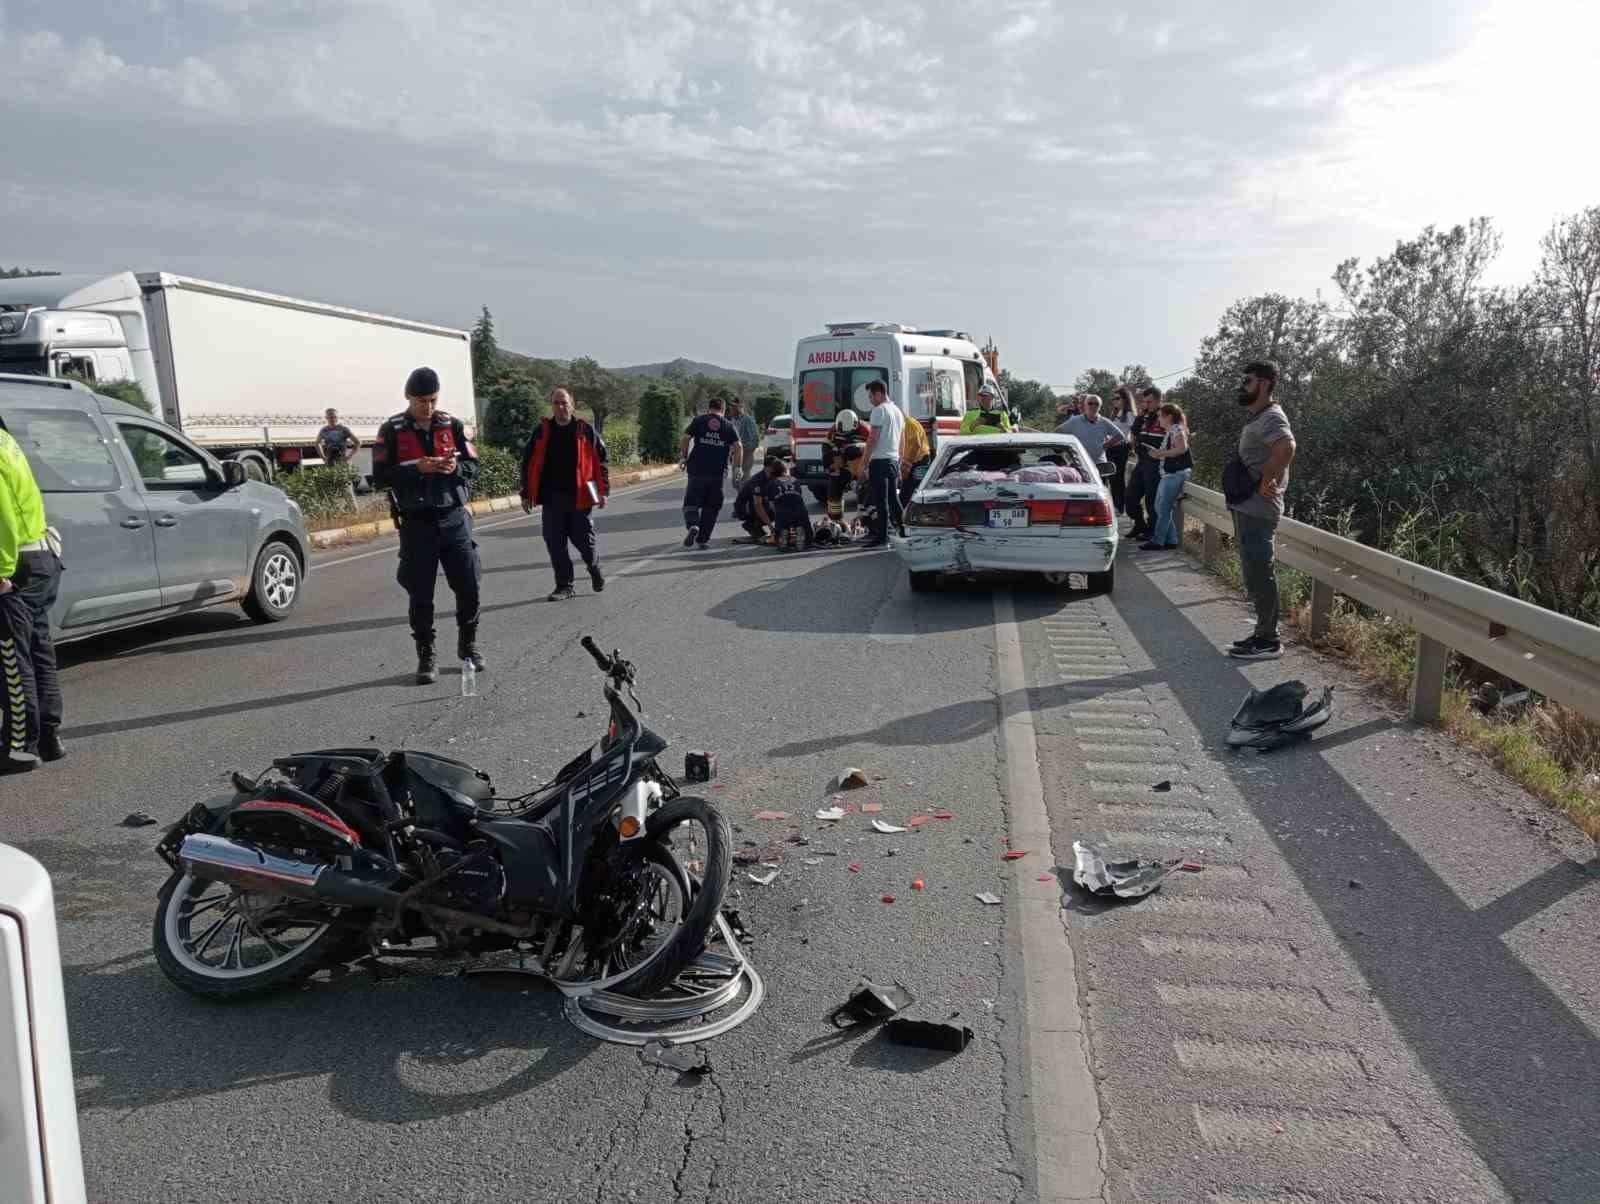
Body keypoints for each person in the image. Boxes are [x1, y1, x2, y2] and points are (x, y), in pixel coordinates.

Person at [372, 366, 483, 684]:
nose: (428, 407)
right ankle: (426, 655)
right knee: (420, 594)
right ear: (408, 397)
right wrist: (417, 468)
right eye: (422, 400)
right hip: (417, 524)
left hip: (454, 519)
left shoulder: (452, 425)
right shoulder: (391, 430)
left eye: (433, 400)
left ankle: (468, 647)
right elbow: (380, 477)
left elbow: (474, 466)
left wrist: (454, 469)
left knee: (469, 586)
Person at [0, 420, 64, 771]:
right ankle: (48, 738)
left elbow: (2, 517)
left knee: (12, 659)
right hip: (39, 558)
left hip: (16, 564)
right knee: (39, 653)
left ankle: (19, 749)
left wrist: (1, 571)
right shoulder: (5, 440)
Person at [1226, 361, 1297, 661]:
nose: (1242, 385)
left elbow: (1287, 447)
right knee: (1254, 572)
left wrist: (1268, 478)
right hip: (1247, 507)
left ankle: (1269, 640)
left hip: (1258, 510)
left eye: (1248, 380)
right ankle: (1261, 634)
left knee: (1259, 572)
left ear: (1265, 384)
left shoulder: (1271, 416)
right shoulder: (1258, 416)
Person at [519, 387, 608, 602]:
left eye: (564, 403)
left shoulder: (584, 430)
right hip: (551, 498)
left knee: (584, 542)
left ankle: (594, 567)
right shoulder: (541, 431)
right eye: (556, 403)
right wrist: (525, 492)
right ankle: (565, 586)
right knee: (554, 543)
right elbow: (528, 463)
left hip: (580, 496)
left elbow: (601, 460)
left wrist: (603, 491)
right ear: (552, 406)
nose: (560, 407)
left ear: (572, 405)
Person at [679, 396, 740, 548]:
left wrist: (683, 457)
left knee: (691, 502)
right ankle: (702, 539)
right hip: (718, 473)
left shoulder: (699, 420)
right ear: (723, 410)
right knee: (712, 506)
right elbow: (738, 446)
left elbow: (686, 438)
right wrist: (737, 467)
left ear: (709, 408)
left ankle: (693, 525)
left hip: (697, 470)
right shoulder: (728, 425)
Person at [1141, 402, 1193, 551]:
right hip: (1169, 475)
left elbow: (1181, 449)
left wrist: (1160, 453)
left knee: (1163, 508)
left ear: (1169, 417)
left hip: (1175, 474)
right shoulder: (1172, 430)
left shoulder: (1176, 428)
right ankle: (1171, 540)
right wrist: (1157, 453)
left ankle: (1158, 541)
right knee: (1159, 507)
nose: (1158, 420)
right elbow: (1171, 451)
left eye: (1160, 417)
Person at [860, 379, 905, 546]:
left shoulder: (878, 411)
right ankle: (905, 530)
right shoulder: (897, 411)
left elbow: (873, 439)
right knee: (893, 499)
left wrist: (864, 463)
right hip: (893, 460)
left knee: (881, 501)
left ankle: (882, 537)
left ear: (879, 393)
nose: (870, 400)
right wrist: (899, 461)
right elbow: (902, 440)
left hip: (879, 461)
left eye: (871, 396)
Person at [1057, 394, 1125, 484]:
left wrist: (1106, 445)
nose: (1093, 406)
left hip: (1099, 466)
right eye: (1090, 403)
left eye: (1096, 404)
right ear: (1085, 405)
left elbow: (1120, 436)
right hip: (1078, 465)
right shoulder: (1075, 421)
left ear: (1100, 407)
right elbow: (1058, 431)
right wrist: (1067, 446)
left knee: (1098, 494)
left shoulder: (1104, 422)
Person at [1127, 386, 1165, 539]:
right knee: (1129, 498)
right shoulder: (1143, 416)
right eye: (1144, 402)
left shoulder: (1165, 416)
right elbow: (1134, 434)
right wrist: (1139, 416)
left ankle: (1151, 531)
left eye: (1149, 402)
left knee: (1151, 500)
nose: (1146, 405)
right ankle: (1139, 524)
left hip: (1157, 465)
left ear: (1158, 400)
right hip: (1141, 462)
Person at [823, 408, 868, 528]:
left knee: (865, 491)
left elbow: (873, 448)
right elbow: (826, 449)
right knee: (834, 487)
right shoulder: (833, 430)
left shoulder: (865, 429)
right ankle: (836, 521)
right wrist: (832, 465)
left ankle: (866, 520)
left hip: (860, 464)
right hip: (841, 463)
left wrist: (855, 449)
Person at [763, 459, 813, 551]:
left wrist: (777, 514)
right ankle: (802, 535)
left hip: (783, 512)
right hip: (799, 510)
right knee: (804, 525)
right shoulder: (795, 480)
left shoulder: (772, 484)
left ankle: (783, 535)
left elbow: (771, 504)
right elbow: (798, 497)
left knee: (781, 523)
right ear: (786, 470)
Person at [316, 407, 361, 506]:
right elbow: (317, 443)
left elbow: (357, 442)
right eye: (330, 417)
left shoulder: (343, 429)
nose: (332, 419)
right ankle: (334, 510)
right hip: (330, 462)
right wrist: (323, 457)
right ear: (326, 418)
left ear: (337, 417)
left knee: (346, 488)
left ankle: (353, 510)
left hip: (342, 463)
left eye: (334, 416)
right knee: (329, 488)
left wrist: (348, 457)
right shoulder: (324, 430)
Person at [733, 454, 780, 542]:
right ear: (767, 467)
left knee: (775, 511)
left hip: (756, 503)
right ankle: (750, 524)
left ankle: (756, 524)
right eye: (775, 466)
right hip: (744, 507)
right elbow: (758, 505)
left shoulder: (772, 477)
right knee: (760, 536)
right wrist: (770, 526)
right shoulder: (758, 480)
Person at [1105, 387, 1137, 515]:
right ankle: (1115, 505)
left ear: (1125, 399)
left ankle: (1120, 507)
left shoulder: (1129, 414)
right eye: (1114, 398)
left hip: (1120, 448)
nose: (1115, 401)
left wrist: (1132, 446)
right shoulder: (1116, 413)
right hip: (1110, 448)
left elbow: (1134, 431)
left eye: (1117, 398)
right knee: (1111, 478)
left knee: (1118, 478)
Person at [898, 410, 931, 507]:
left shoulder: (909, 424)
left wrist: (907, 464)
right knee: (906, 489)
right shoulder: (904, 424)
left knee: (916, 488)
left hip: (920, 460)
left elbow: (916, 445)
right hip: (912, 459)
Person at [730, 398, 760, 491]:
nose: (731, 410)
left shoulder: (748, 420)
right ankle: (743, 497)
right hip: (736, 453)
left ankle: (745, 500)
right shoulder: (733, 420)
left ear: (740, 408)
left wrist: (747, 451)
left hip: (746, 453)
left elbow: (755, 439)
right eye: (731, 407)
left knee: (745, 479)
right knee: (736, 481)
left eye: (733, 407)